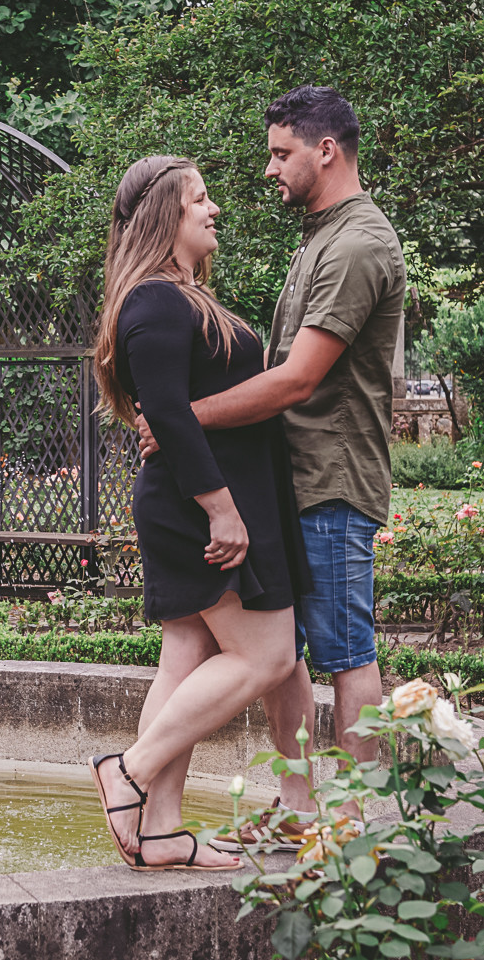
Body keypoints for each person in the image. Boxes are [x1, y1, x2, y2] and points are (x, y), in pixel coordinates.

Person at [136, 86, 407, 849]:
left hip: (332, 480)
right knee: (284, 652)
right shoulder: (323, 235)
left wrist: (184, 419)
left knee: (345, 653)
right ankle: (297, 810)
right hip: (293, 479)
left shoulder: (357, 244)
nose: (268, 169)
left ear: (327, 150)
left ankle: (353, 830)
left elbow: (296, 380)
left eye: (280, 153)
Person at [88, 154, 308, 871]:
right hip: (195, 505)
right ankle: (130, 771)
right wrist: (221, 508)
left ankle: (159, 830)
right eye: (201, 200)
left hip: (202, 499)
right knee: (269, 654)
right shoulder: (155, 300)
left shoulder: (178, 297)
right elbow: (169, 417)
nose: (215, 210)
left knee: (186, 655)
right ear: (165, 216)